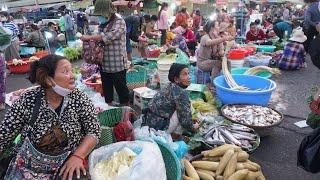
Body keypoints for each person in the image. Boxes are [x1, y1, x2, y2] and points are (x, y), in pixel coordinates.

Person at [0, 54, 101, 179]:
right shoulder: (28, 99)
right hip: (29, 165)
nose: (72, 76)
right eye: (65, 71)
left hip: (66, 163)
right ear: (48, 80)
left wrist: (78, 156)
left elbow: (94, 131)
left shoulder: (79, 98)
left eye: (71, 70)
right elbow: (4, 134)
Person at [81, 0, 130, 106]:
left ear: (108, 12)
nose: (99, 17)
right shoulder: (103, 23)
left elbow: (109, 36)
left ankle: (126, 110)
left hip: (117, 63)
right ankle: (109, 107)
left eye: (101, 14)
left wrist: (89, 37)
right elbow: (97, 37)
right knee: (107, 88)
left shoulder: (119, 21)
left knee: (121, 88)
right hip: (103, 62)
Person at [142, 63, 199, 134]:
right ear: (176, 79)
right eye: (185, 74)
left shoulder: (168, 86)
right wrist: (194, 128)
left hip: (149, 123)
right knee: (183, 111)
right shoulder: (181, 93)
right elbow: (186, 122)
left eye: (188, 73)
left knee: (182, 109)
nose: (189, 77)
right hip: (160, 128)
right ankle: (175, 136)